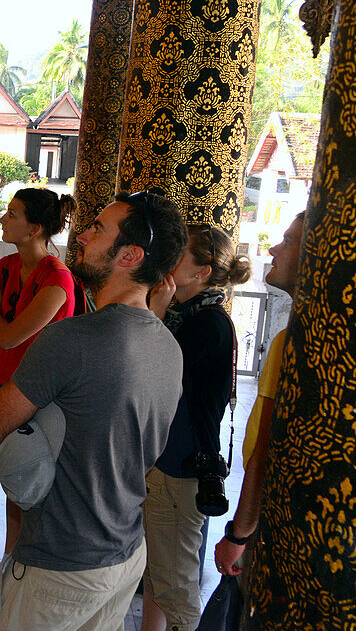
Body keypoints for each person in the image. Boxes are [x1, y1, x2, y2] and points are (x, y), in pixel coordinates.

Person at [0, 191, 188, 631]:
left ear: (129, 256)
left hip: (62, 560)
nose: (82, 235)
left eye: (98, 230)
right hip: (124, 552)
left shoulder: (72, 338)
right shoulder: (167, 345)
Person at [140, 225, 252, 631]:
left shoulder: (208, 324)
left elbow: (151, 370)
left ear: (202, 272)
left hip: (182, 469)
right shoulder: (184, 316)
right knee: (157, 574)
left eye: (181, 253)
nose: (170, 258)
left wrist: (153, 312)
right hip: (167, 461)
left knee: (176, 586)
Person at [0, 188, 79, 583]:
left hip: (45, 398)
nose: (3, 219)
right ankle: (11, 561)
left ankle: (30, 565)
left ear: (34, 229)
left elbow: (11, 335)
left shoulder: (58, 280)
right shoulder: (6, 267)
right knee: (15, 477)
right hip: (9, 389)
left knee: (34, 480)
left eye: (11, 215)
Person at [213, 211, 305, 578]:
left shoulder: (294, 344)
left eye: (289, 241)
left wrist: (240, 531)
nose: (275, 249)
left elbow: (265, 450)